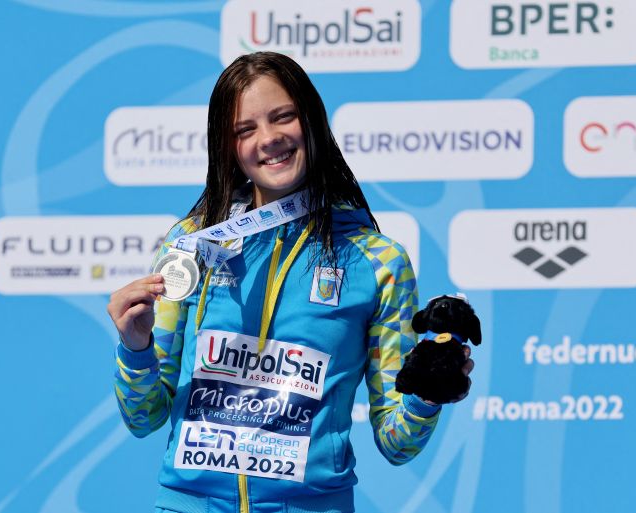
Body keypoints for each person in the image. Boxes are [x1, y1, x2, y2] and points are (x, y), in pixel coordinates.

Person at [108, 51, 474, 513]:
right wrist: (135, 348)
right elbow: (143, 417)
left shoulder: (379, 262)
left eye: (283, 117)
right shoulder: (192, 245)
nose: (269, 139)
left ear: (313, 120)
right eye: (245, 130)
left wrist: (426, 393)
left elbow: (397, 444)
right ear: (227, 146)